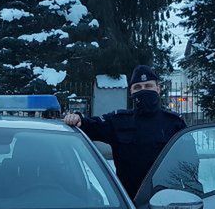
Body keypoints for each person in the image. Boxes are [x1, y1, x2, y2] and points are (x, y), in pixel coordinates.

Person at [64, 65, 186, 198]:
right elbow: (90, 126)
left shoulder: (175, 123)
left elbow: (189, 163)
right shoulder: (119, 121)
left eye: (148, 86)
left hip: (168, 200)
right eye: (138, 87)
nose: (143, 90)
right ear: (131, 92)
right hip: (129, 203)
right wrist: (76, 118)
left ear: (158, 88)